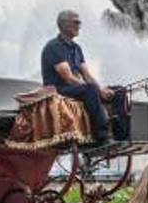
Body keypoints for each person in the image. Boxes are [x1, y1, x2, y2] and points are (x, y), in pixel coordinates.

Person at [41, 10, 116, 145]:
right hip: (58, 90)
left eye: (79, 22)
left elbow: (87, 75)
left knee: (117, 91)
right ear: (64, 24)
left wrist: (103, 90)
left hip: (75, 88)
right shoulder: (54, 46)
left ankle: (120, 132)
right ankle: (101, 136)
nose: (79, 25)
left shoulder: (77, 48)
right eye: (76, 22)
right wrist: (96, 90)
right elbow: (68, 78)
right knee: (90, 89)